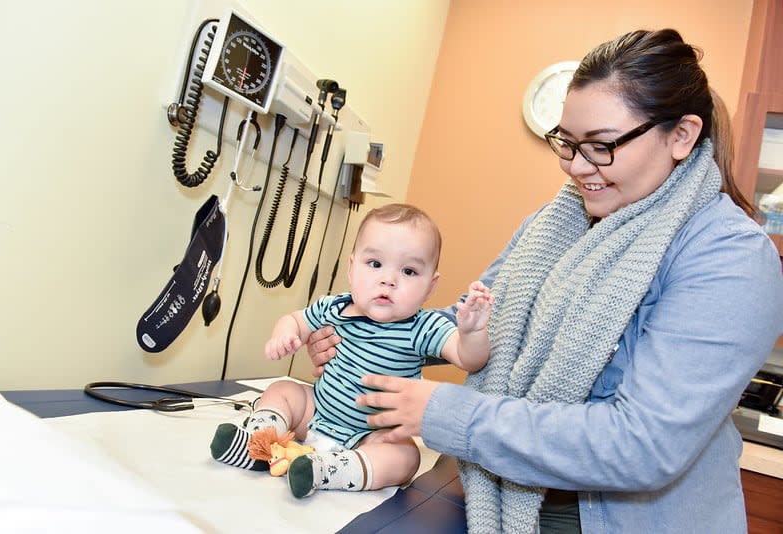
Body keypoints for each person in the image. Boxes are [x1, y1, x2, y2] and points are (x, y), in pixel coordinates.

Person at [306, 29, 783, 534]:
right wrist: (365, 333)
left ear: (682, 136)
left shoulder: (730, 256)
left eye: (601, 146)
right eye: (568, 143)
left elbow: (641, 444)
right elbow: (471, 323)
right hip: (504, 491)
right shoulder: (554, 224)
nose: (576, 167)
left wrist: (449, 412)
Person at [210, 203, 494, 499]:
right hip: (316, 413)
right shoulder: (334, 307)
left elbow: (469, 358)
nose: (389, 279)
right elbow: (295, 319)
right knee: (284, 390)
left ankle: (326, 470)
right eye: (375, 264)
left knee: (407, 456)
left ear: (430, 287)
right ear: (351, 267)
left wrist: (472, 332)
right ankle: (257, 443)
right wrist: (286, 334)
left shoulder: (423, 327)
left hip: (370, 434)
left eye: (409, 271)